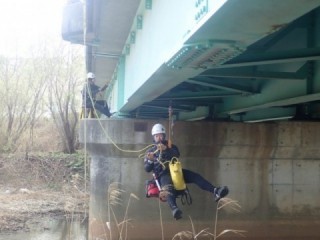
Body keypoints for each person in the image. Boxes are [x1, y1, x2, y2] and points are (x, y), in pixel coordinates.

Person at [144, 123, 229, 220]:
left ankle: (215, 191)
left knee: (195, 176)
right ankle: (174, 209)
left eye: (160, 135)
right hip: (162, 174)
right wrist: (150, 160)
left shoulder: (171, 146)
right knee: (168, 188)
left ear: (163, 136)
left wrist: (166, 149)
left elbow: (176, 154)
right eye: (156, 136)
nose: (158, 138)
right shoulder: (150, 151)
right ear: (153, 137)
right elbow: (147, 168)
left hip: (175, 171)